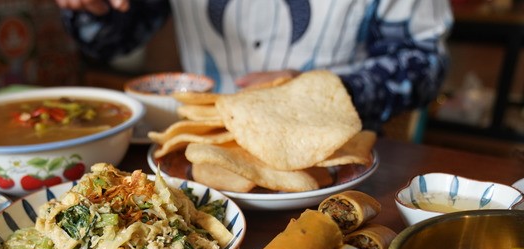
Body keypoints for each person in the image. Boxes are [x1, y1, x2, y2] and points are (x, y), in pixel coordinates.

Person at [53, 0, 452, 132]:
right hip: (201, 150)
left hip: (338, 156)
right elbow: (113, 41)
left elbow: (424, 63)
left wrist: (320, 91)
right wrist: (95, 11)